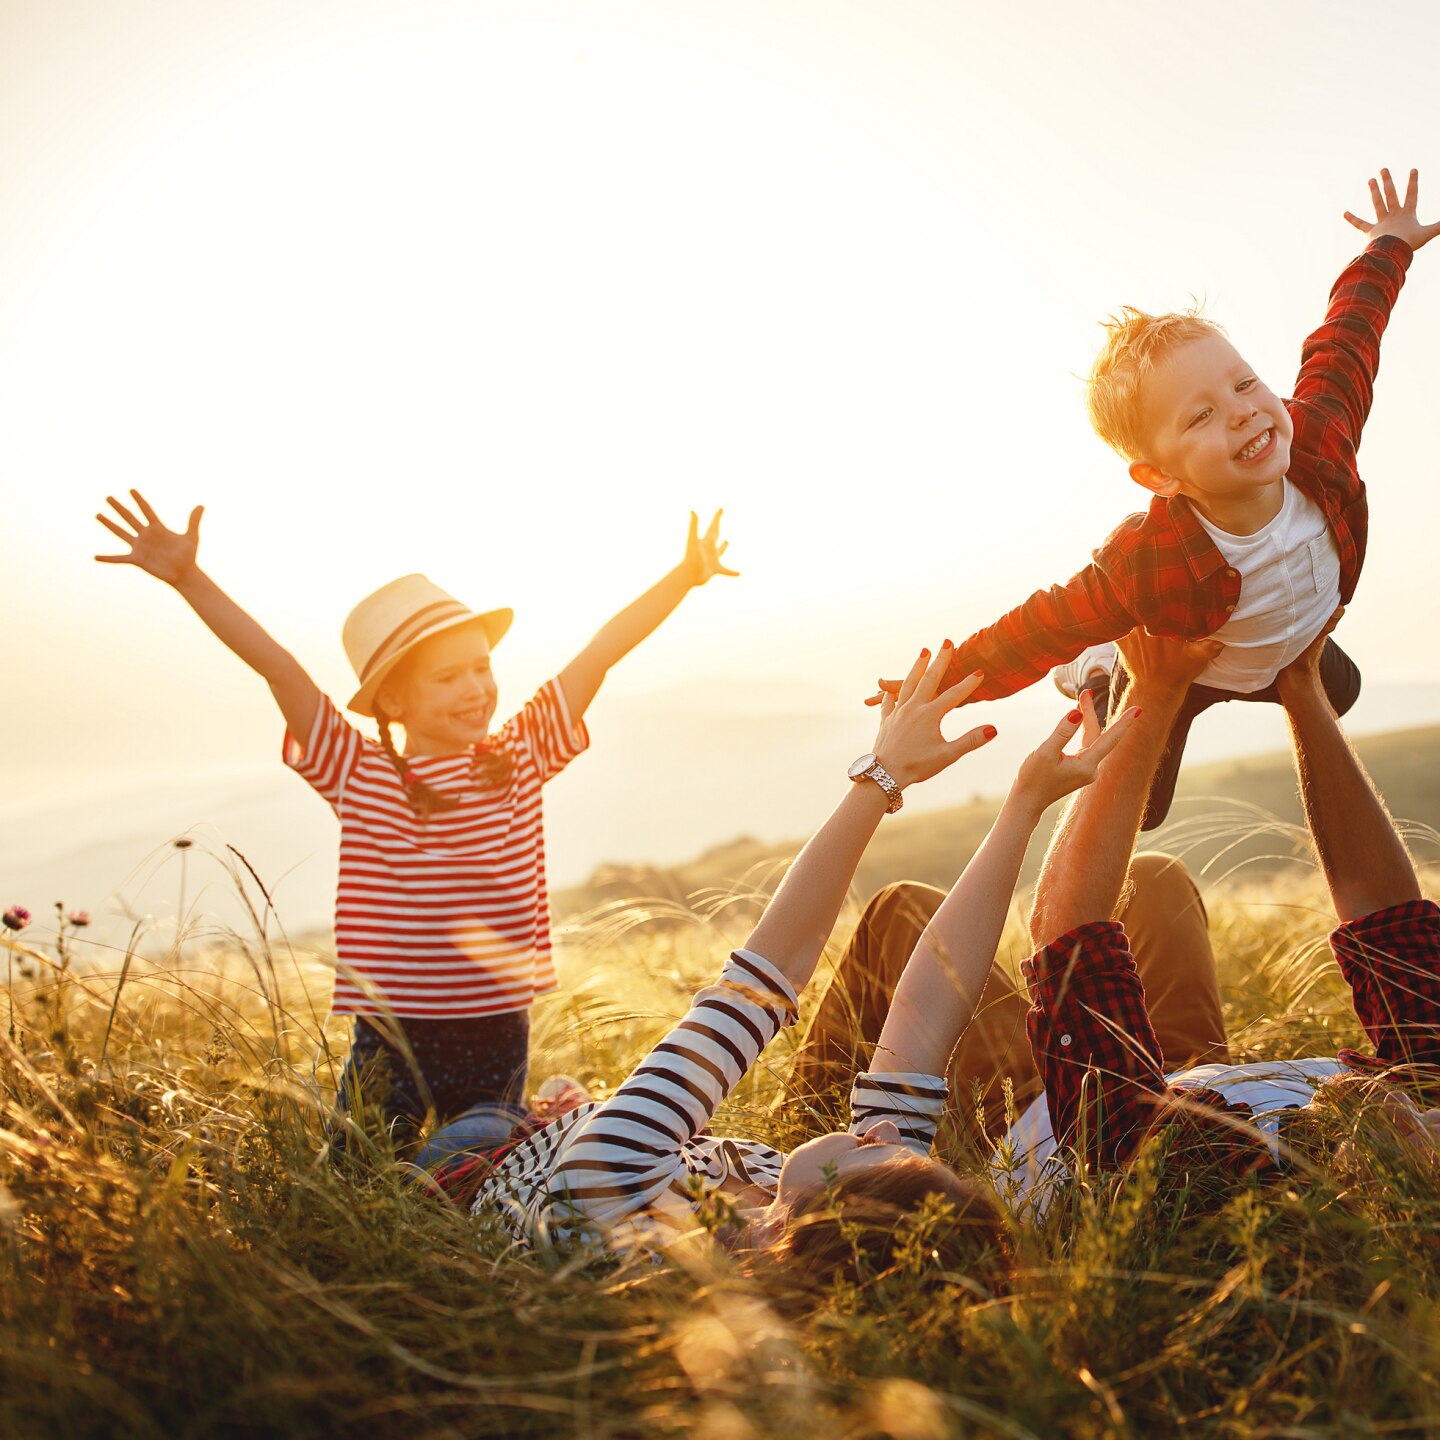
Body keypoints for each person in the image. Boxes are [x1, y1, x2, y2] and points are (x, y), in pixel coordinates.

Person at [469, 644, 1138, 1285]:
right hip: (581, 1118)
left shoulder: (610, 1193)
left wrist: (883, 776)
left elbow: (760, 978)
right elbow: (925, 1014)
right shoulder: (814, 1208)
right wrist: (1024, 804)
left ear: (809, 1225)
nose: (879, 1131)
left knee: (466, 1118)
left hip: (490, 1144)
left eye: (875, 1150)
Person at [93, 492, 737, 1151]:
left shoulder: (520, 754)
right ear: (393, 699)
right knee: (360, 1172)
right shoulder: (358, 771)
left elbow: (599, 654)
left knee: (478, 1171)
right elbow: (278, 668)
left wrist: (683, 578)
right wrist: (189, 579)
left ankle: (535, 1126)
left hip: (496, 1023)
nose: (475, 689)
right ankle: (527, 1123)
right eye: (448, 676)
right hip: (390, 1028)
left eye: (482, 668)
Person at [872, 168, 1436, 829]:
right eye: (1200, 416)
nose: (1244, 413)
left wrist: (1387, 245)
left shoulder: (1318, 434)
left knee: (1345, 693)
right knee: (1140, 809)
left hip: (1284, 643)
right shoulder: (1149, 564)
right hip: (1190, 664)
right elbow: (1040, 627)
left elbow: (1347, 338)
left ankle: (1274, 669)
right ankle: (1100, 669)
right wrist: (937, 688)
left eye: (1245, 384)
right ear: (1159, 477)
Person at [1017, 621, 1440, 1189]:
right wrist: (1301, 685)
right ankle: (1114, 681)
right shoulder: (1420, 1099)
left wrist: (1152, 694)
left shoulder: (1241, 1198)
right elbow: (1390, 925)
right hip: (1196, 1078)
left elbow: (1066, 943)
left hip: (1038, 1111)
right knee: (1155, 879)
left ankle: (1108, 685)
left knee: (907, 917)